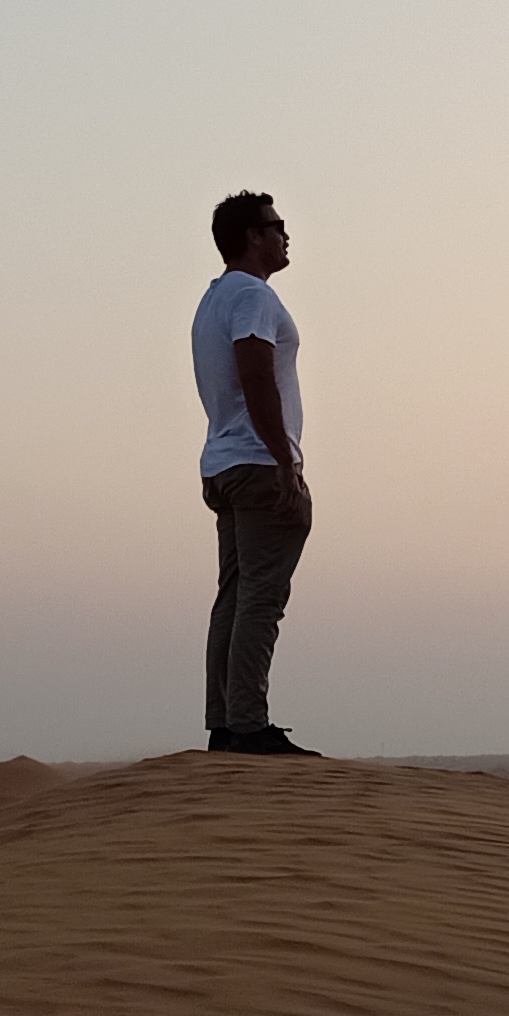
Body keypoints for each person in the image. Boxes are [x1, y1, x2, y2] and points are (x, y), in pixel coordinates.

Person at [192, 191, 317, 755]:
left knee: (236, 596)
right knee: (259, 600)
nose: (285, 234)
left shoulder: (213, 298)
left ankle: (226, 722)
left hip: (225, 463)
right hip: (258, 463)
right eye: (276, 225)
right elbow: (255, 374)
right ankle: (247, 725)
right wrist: (284, 458)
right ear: (251, 236)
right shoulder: (252, 296)